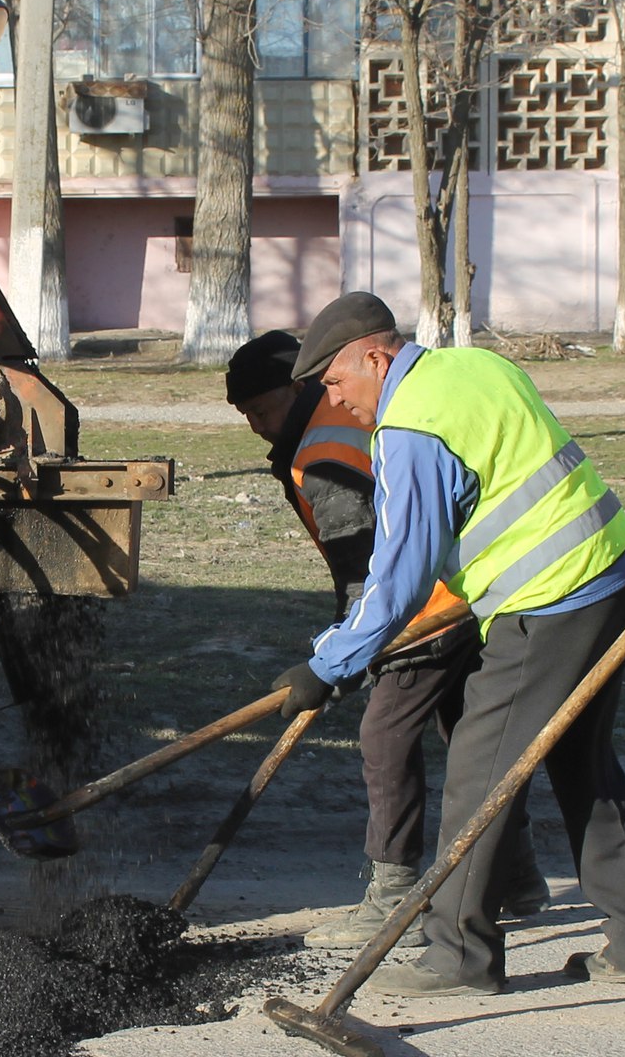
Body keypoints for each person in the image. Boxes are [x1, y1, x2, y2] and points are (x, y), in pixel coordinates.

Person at [272, 293, 625, 996]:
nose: (335, 403)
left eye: (336, 383)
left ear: (376, 356)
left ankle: (458, 954)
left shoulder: (410, 425)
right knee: (584, 767)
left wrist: (329, 663)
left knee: (478, 770)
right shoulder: (476, 367)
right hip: (611, 577)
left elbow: (399, 577)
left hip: (547, 600)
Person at [225, 331, 544, 951]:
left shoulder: (323, 453)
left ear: (298, 390)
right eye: (245, 416)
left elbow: (367, 567)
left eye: (261, 410)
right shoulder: (338, 418)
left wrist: (339, 659)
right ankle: (516, 876)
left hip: (421, 611)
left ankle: (394, 892)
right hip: (460, 593)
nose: (257, 428)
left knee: (384, 734)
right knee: (462, 731)